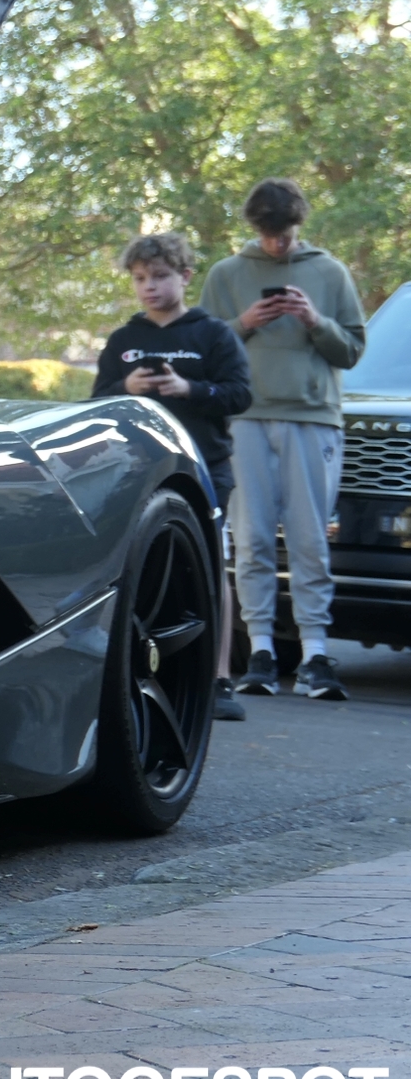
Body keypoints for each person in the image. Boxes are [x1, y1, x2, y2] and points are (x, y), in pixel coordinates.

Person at [200, 177, 368, 701]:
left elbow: (353, 350)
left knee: (309, 538)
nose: (276, 243)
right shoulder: (227, 273)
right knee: (250, 539)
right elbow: (201, 348)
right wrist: (244, 322)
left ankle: (317, 652)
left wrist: (315, 320)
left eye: (285, 232)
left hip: (313, 418)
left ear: (299, 224)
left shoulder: (329, 271)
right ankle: (262, 651)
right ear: (254, 228)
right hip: (245, 419)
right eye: (268, 233)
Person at [92, 232, 252, 721]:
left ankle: (219, 678)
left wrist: (189, 388)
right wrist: (127, 387)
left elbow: (239, 395)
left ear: (184, 277)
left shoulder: (213, 334)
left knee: (208, 569)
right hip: (137, 474)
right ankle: (146, 671)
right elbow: (95, 403)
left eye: (160, 277)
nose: (149, 287)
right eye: (140, 279)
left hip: (206, 470)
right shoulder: (124, 341)